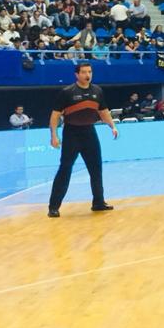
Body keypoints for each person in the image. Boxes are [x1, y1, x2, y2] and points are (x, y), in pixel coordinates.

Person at [47, 62, 119, 217]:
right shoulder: (67, 92)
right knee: (65, 169)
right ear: (77, 75)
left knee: (96, 169)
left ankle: (98, 202)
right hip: (71, 133)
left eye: (90, 72)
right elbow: (55, 115)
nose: (88, 75)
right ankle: (53, 207)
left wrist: (112, 126)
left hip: (89, 132)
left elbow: (103, 111)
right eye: (84, 72)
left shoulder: (97, 91)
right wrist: (54, 135)